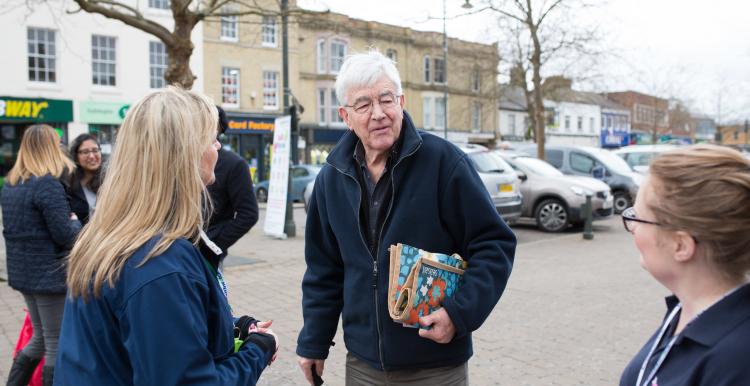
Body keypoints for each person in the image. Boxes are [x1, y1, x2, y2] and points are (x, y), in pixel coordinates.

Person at [296, 50, 516, 385]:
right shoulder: (331, 178)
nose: (378, 113)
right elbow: (324, 270)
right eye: (364, 104)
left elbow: (493, 244)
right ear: (345, 115)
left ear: (402, 101)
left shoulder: (445, 163)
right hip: (363, 363)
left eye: (387, 99)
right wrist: (313, 342)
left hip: (436, 363)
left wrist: (459, 314)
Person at [55, 86, 278, 385]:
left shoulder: (114, 237)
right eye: (212, 138)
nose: (217, 148)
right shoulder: (159, 264)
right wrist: (259, 351)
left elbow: (154, 336)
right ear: (187, 152)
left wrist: (234, 329)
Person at [620, 144, 750, 386]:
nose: (632, 228)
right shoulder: (685, 311)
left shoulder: (737, 363)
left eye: (637, 218)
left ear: (680, 246)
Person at [1, 124, 82, 386]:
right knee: (55, 343)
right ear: (49, 148)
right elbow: (66, 236)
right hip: (48, 275)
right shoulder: (47, 184)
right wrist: (76, 222)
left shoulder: (11, 185)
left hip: (24, 273)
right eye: (56, 144)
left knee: (39, 337)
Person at [200, 106, 259, 269]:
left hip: (208, 256)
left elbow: (249, 214)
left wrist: (213, 244)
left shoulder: (234, 164)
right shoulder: (183, 160)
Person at [67, 133, 103, 225]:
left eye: (95, 150)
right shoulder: (68, 184)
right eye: (85, 152)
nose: (91, 156)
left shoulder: (110, 180)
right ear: (76, 156)